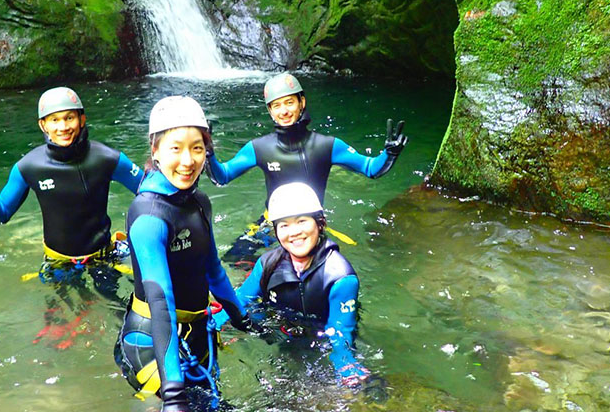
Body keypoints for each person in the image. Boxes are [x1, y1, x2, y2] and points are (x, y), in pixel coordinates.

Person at [0, 86, 144, 346]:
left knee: (121, 314)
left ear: (82, 119)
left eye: (69, 118)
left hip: (103, 256)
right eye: (54, 120)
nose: (63, 126)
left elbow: (148, 191)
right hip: (58, 263)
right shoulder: (29, 166)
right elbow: (1, 214)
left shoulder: (107, 158)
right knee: (58, 330)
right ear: (43, 125)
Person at [115, 96, 252, 412]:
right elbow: (161, 302)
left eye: (197, 148)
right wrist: (174, 395)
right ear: (156, 152)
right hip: (152, 342)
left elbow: (214, 270)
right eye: (175, 148)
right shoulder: (148, 215)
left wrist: (242, 319)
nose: (188, 160)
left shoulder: (200, 202)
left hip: (197, 335)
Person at [206, 72, 407, 260]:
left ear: (302, 102)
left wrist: (389, 154)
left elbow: (370, 168)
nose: (283, 111)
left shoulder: (327, 146)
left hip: (311, 226)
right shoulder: (259, 148)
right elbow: (222, 176)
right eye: (276, 106)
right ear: (270, 111)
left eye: (289, 102)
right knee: (234, 260)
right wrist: (209, 155)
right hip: (274, 223)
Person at [214, 182, 373, 389]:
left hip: (320, 337)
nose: (294, 232)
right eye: (284, 225)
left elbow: (340, 332)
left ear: (320, 223)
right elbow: (240, 301)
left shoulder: (340, 278)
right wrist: (208, 324)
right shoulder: (267, 264)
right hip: (280, 332)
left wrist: (346, 367)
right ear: (276, 231)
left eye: (302, 221)